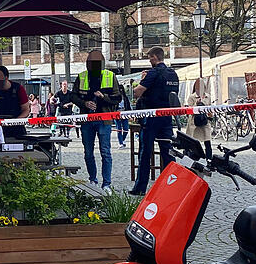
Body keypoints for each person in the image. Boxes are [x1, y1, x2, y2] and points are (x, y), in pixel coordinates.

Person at [71, 50, 121, 195]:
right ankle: (93, 179)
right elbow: (73, 96)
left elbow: (118, 98)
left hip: (104, 119)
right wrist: (84, 103)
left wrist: (104, 96)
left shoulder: (110, 76)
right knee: (88, 153)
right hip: (87, 119)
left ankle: (107, 183)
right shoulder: (81, 77)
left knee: (105, 152)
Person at [130, 47, 179, 196]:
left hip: (150, 117)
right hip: (166, 118)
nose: (149, 61)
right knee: (168, 153)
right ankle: (170, 186)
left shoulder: (153, 73)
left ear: (155, 57)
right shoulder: (173, 74)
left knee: (145, 152)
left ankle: (140, 188)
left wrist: (141, 81)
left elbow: (137, 92)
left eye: (150, 58)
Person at [0, 65, 29, 138]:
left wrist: (16, 121)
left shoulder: (19, 89)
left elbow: (26, 110)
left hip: (17, 127)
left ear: (6, 77)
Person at [186, 78, 212, 159]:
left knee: (207, 141)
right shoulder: (191, 97)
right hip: (194, 123)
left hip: (204, 121)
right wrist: (196, 104)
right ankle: (191, 159)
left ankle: (209, 160)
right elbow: (189, 110)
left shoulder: (207, 96)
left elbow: (209, 108)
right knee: (192, 142)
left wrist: (210, 115)